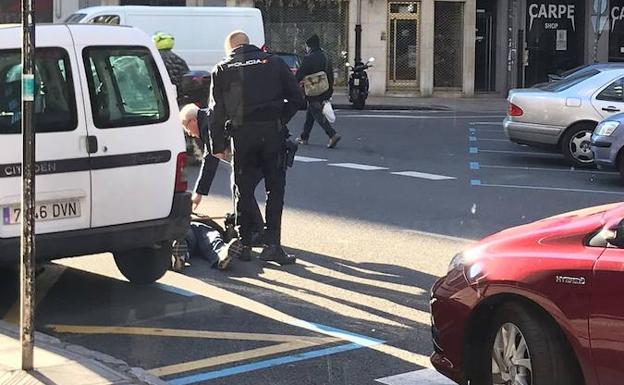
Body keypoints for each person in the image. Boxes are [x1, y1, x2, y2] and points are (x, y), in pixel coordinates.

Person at [208, 30, 305, 265]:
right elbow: (298, 99)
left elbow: (215, 112)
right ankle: (272, 246)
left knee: (243, 189)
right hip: (272, 133)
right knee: (275, 189)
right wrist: (280, 119)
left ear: (230, 49)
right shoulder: (274, 62)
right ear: (249, 44)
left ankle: (244, 244)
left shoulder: (222, 68)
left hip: (241, 135)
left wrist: (217, 145)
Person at [180, 104, 266, 246]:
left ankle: (258, 229)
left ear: (192, 121)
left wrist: (199, 193)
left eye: (186, 128)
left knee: (241, 188)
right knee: (240, 187)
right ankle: (250, 226)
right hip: (255, 147)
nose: (189, 133)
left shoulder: (207, 123)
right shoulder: (207, 119)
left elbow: (211, 159)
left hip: (254, 152)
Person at [296, 34, 341, 149]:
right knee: (310, 113)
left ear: (309, 46)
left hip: (312, 91)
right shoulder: (325, 56)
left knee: (316, 112)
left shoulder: (308, 58)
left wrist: (294, 83)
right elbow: (330, 75)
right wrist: (330, 90)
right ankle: (304, 136)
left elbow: (300, 74)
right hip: (324, 89)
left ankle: (332, 134)